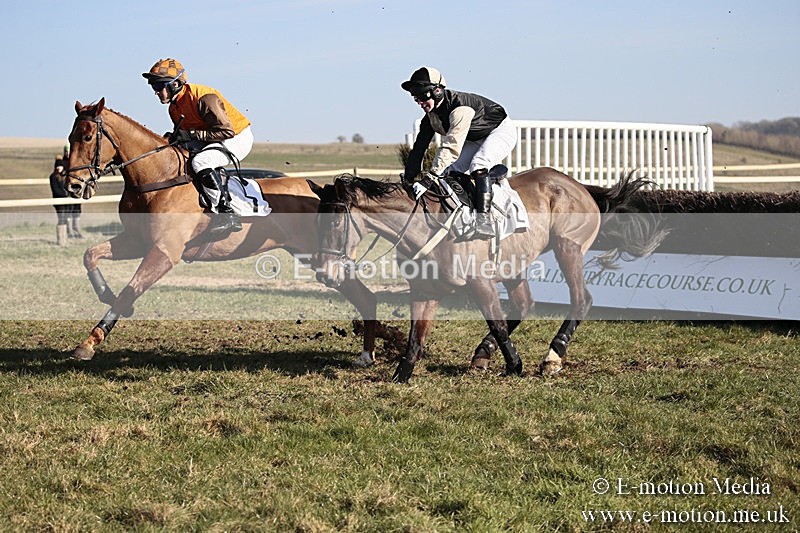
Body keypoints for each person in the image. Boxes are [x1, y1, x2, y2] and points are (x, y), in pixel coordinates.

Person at [142, 58, 253, 240]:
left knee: (201, 161)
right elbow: (188, 135)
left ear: (176, 83)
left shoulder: (204, 98)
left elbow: (226, 131)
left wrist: (193, 135)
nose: (156, 92)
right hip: (214, 137)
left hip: (237, 136)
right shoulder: (174, 108)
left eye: (159, 86)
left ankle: (227, 213)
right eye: (153, 86)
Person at [401, 67, 517, 238]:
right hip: (475, 138)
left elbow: (451, 147)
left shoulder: (460, 109)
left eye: (423, 95)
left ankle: (484, 220)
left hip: (499, 131)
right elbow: (419, 147)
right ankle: (464, 214)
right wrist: (409, 177)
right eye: (415, 97)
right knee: (451, 171)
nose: (419, 101)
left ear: (437, 91)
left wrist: (428, 179)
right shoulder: (431, 117)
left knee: (478, 164)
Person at [49, 146, 82, 244]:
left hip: (69, 198)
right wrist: (65, 194)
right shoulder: (54, 177)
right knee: (63, 218)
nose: (59, 168)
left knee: (72, 214)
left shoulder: (66, 174)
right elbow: (56, 189)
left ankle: (72, 233)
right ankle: (63, 237)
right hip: (60, 200)